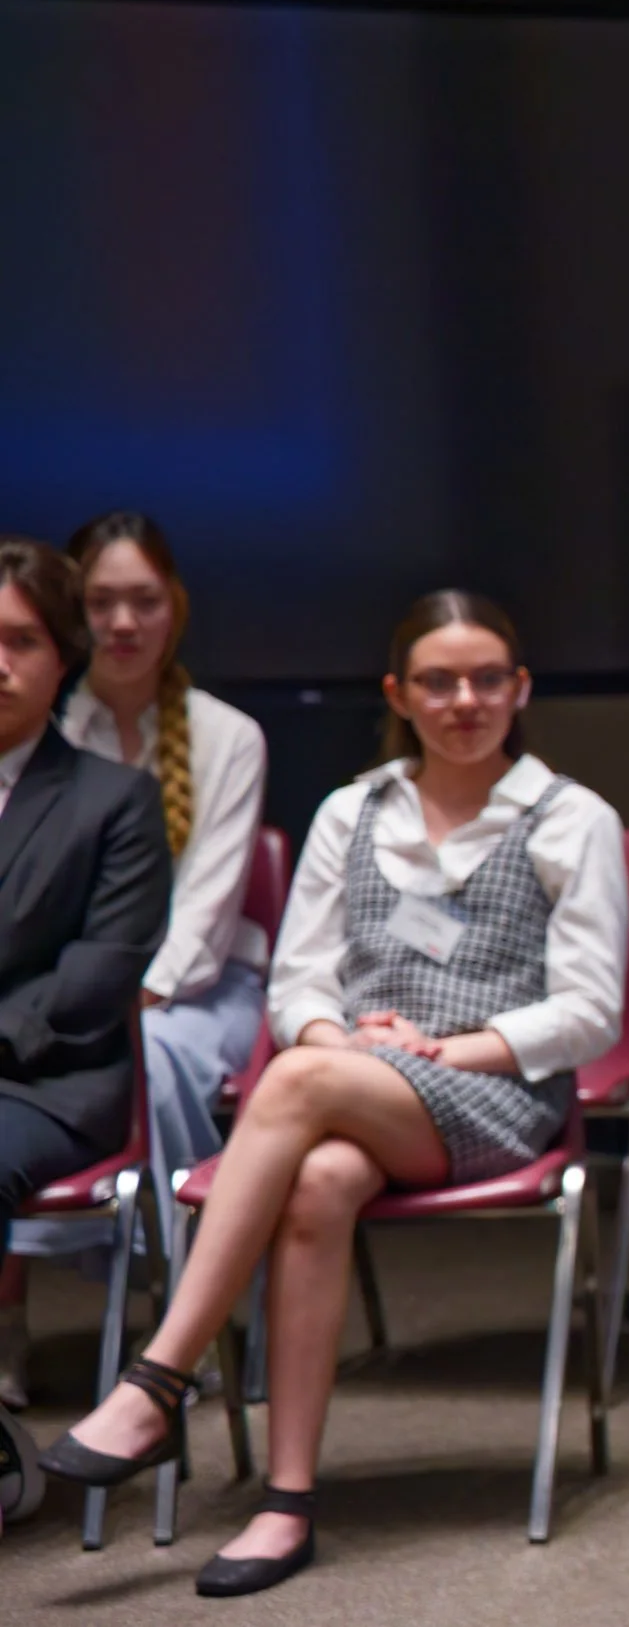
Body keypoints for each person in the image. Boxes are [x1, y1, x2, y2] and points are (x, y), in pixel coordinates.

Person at [39, 589, 628, 1597]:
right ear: (400, 694)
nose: (465, 699)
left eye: (488, 677)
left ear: (519, 689)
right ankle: (288, 1500)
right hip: (358, 1083)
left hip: (494, 1098)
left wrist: (450, 1049)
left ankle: (159, 1375)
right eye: (439, 680)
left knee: (301, 1080)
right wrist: (342, 1039)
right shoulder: (352, 810)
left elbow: (591, 1014)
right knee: (318, 1179)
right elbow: (300, 983)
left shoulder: (571, 817)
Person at [1, 515, 269, 1405]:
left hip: (193, 980)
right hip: (55, 998)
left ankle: (182, 1314)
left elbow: (203, 910)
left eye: (142, 601)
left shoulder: (222, 737)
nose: (122, 621)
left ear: (174, 608)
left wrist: (131, 995)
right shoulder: (48, 715)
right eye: (102, 601)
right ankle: (12, 1319)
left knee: (157, 1060)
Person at [0, 538, 172, 1533]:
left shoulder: (114, 801)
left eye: (20, 640)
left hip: (51, 1084)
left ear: (63, 654)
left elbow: (96, 980)